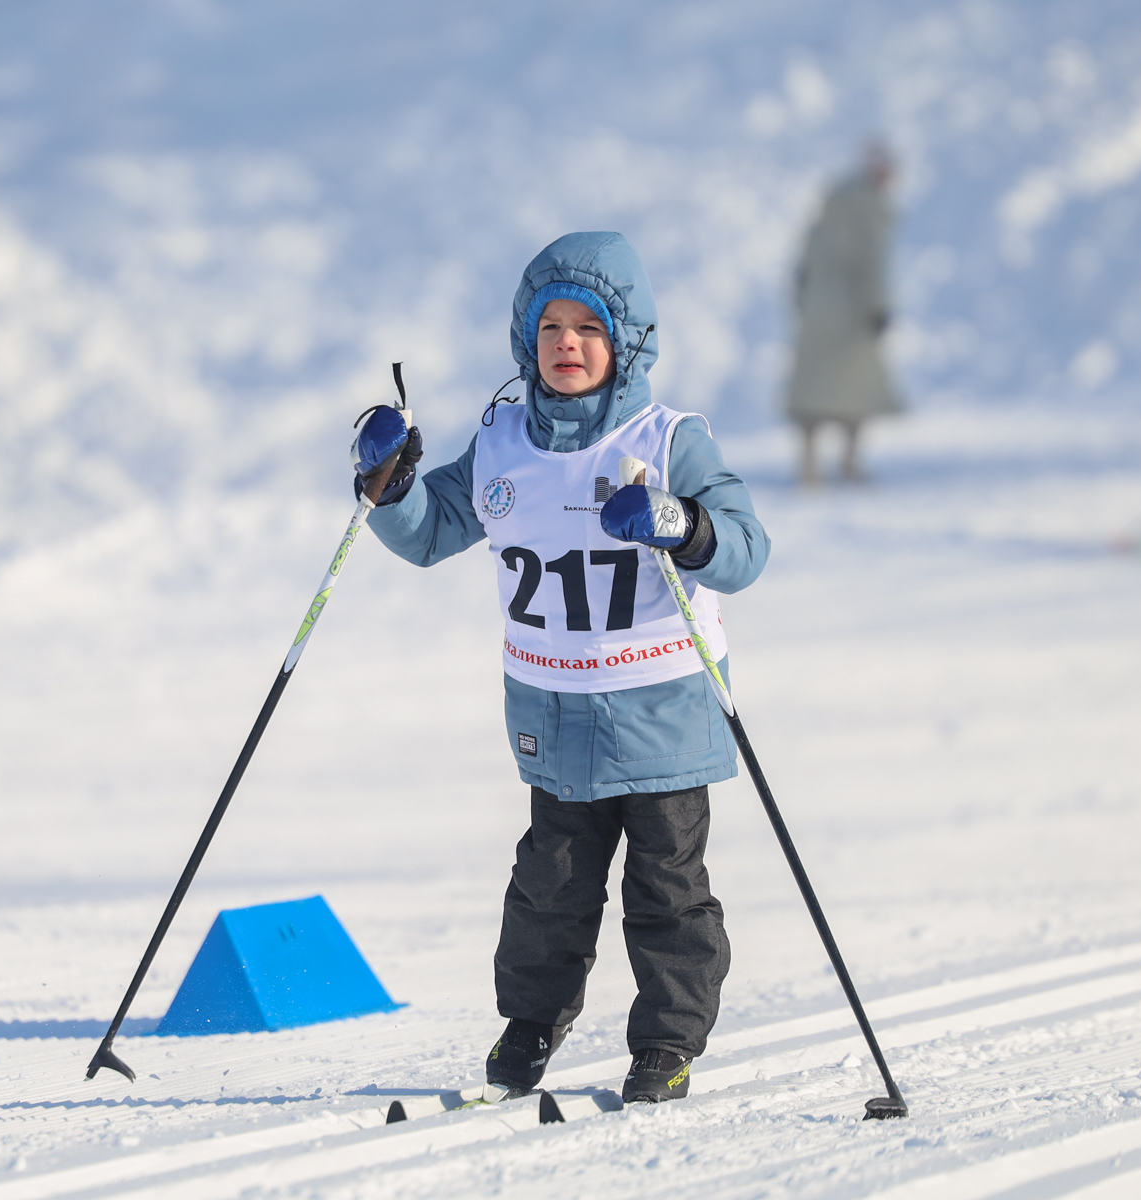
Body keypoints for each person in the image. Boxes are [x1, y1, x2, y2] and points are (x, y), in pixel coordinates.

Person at [350, 232, 770, 1105]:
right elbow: (435, 531)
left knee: (667, 890)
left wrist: (679, 523)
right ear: (525, 341)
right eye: (551, 328)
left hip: (661, 710)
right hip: (554, 712)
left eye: (589, 327)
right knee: (550, 885)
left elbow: (745, 551)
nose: (568, 344)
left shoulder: (669, 440)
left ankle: (666, 1043)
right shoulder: (505, 440)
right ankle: (532, 1022)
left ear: (627, 343)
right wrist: (391, 488)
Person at [785, 143, 900, 486]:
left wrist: (805, 300)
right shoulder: (871, 207)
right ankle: (849, 461)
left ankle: (809, 465)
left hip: (819, 310)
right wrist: (878, 307)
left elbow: (805, 259)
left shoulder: (834, 200)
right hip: (852, 312)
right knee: (855, 390)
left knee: (814, 392)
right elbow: (871, 264)